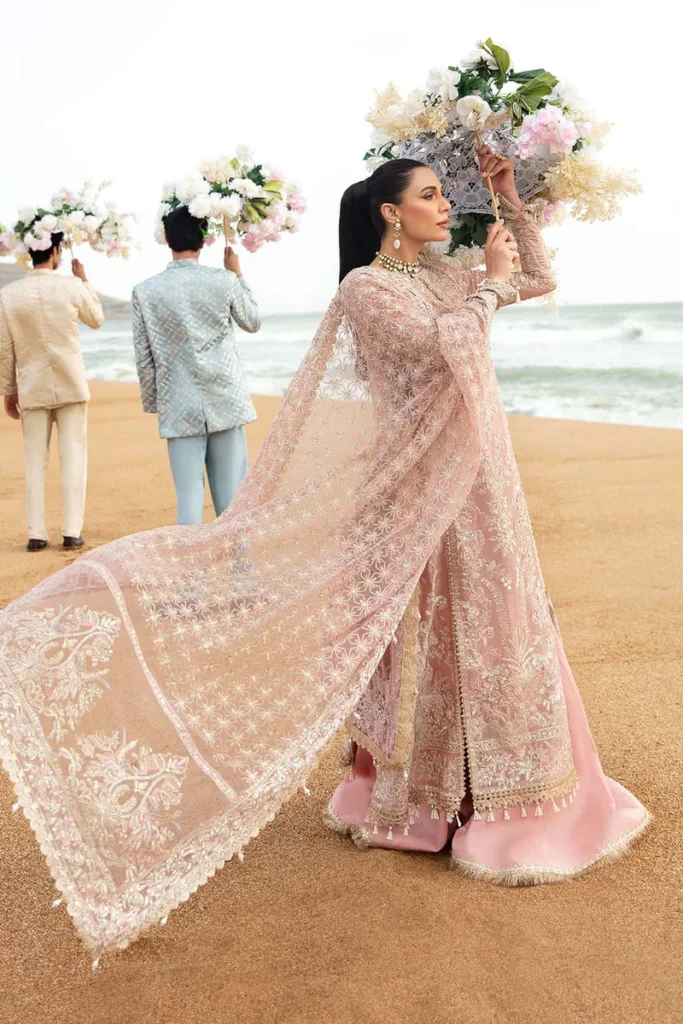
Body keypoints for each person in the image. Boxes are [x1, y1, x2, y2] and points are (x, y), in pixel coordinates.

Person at [0, 152, 649, 962]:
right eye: (429, 196)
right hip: (411, 487)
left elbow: (540, 278)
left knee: (491, 617)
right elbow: (447, 350)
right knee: (408, 630)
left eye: (444, 195)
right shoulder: (366, 290)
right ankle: (412, 796)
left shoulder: (442, 275)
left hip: (480, 479)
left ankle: (505, 798)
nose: (445, 207)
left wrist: (512, 205)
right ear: (387, 212)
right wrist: (484, 281)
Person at [132, 205, 261, 526]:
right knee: (232, 498)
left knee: (188, 496)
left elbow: (143, 356)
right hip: (225, 398)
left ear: (167, 239)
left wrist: (156, 402)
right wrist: (238, 273)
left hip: (178, 401)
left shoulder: (145, 291)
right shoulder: (224, 281)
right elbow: (252, 321)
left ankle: (189, 575)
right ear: (203, 240)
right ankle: (239, 572)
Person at [0, 231, 104, 551]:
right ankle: (71, 532)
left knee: (35, 461)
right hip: (70, 383)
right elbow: (97, 319)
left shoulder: (9, 294)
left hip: (32, 385)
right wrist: (84, 281)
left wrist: (8, 389)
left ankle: (37, 534)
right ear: (56, 251)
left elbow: (5, 349)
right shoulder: (71, 286)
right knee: (74, 457)